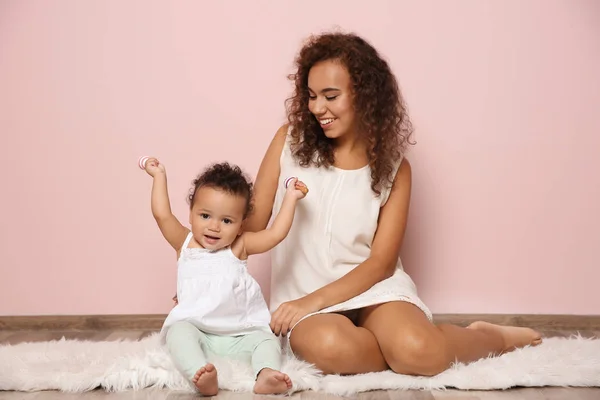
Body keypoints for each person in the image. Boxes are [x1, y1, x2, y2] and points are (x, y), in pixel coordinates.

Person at [243, 32, 543, 377]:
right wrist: (203, 268)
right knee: (328, 347)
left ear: (364, 96)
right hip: (304, 302)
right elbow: (252, 226)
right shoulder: (289, 142)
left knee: (420, 352)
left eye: (331, 96)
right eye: (311, 96)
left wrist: (312, 302)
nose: (317, 108)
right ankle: (395, 351)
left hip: (372, 290)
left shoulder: (395, 168)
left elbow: (381, 264)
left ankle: (487, 338)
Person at [143, 158, 307, 395]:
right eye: (205, 216)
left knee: (267, 340)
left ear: (241, 225)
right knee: (178, 333)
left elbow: (275, 235)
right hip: (199, 333)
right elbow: (161, 214)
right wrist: (159, 176)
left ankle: (266, 374)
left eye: (227, 220)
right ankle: (200, 373)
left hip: (240, 334)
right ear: (190, 214)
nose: (214, 227)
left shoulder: (240, 246)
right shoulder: (185, 243)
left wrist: (291, 198)